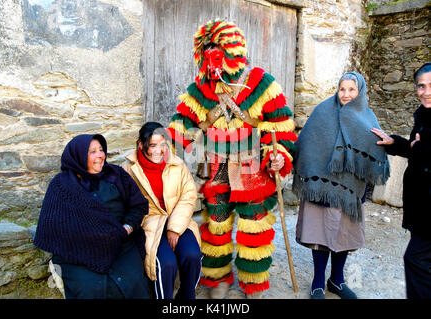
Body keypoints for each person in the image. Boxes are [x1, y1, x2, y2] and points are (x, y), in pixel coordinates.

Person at [167, 19, 296, 298]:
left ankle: (253, 283)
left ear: (233, 50)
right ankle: (217, 280)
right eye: (209, 48)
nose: (214, 55)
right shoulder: (200, 90)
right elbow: (180, 131)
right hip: (218, 170)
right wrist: (201, 126)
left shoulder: (262, 84)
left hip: (254, 172)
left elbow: (282, 130)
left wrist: (277, 155)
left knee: (253, 229)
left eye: (219, 48)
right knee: (217, 226)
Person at [293, 72, 390, 299]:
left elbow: (376, 146)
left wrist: (387, 144)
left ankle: (336, 280)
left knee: (343, 234)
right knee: (320, 235)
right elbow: (305, 141)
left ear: (360, 92)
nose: (346, 94)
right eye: (342, 89)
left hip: (350, 188)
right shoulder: (322, 111)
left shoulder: (367, 116)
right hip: (321, 185)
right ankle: (317, 282)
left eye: (351, 90)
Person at [33, 134, 150, 299]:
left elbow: (138, 205)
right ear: (79, 156)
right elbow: (54, 225)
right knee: (88, 288)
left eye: (101, 150)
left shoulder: (117, 175)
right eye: (92, 152)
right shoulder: (62, 185)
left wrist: (128, 227)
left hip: (121, 244)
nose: (100, 156)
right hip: (80, 252)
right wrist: (92, 237)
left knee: (133, 281)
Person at [121, 122, 202, 299]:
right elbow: (127, 205)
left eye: (163, 144)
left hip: (177, 218)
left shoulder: (176, 164)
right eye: (153, 145)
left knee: (192, 255)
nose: (159, 150)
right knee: (165, 263)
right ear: (141, 145)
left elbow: (188, 195)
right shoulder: (128, 170)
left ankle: (186, 297)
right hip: (149, 223)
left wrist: (174, 228)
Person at [371, 62, 431, 299]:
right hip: (422, 205)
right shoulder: (424, 114)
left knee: (415, 260)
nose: (426, 92)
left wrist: (420, 148)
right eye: (421, 86)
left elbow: (423, 151)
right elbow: (418, 149)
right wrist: (395, 142)